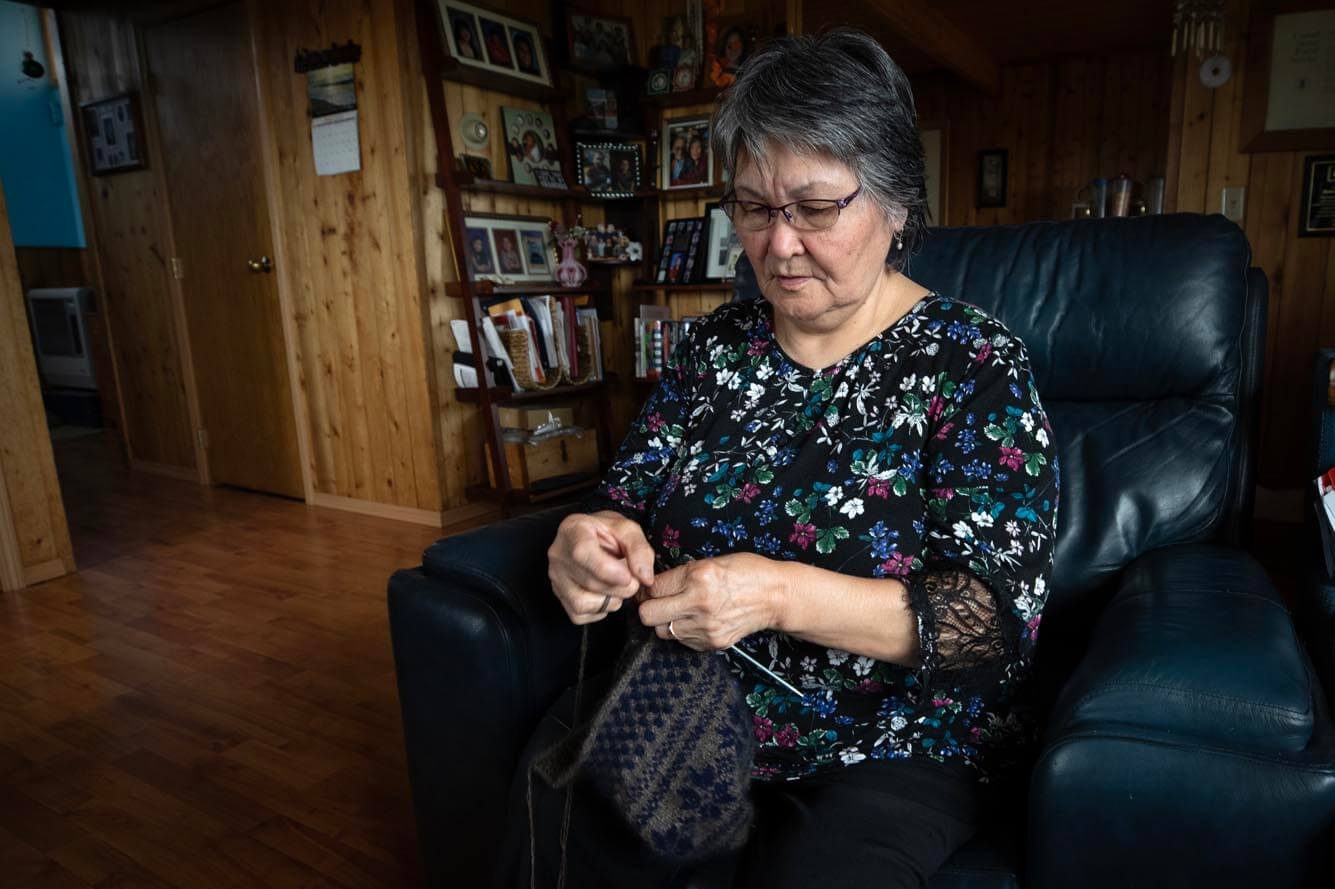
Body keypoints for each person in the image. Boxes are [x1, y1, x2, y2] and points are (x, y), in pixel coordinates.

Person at [514, 28, 1059, 889]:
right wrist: (589, 538)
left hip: (888, 741)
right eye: (754, 209)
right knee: (569, 824)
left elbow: (986, 624)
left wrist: (771, 593)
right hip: (690, 703)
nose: (776, 244)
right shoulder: (713, 350)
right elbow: (623, 499)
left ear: (896, 205)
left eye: (812, 208)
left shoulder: (972, 363)